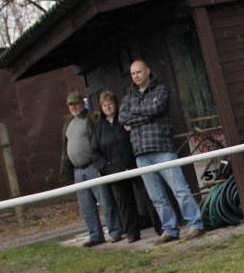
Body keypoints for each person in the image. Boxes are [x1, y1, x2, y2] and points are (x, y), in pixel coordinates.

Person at [118, 59, 204, 244]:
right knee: (156, 197)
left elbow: (157, 108)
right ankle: (169, 229)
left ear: (147, 71)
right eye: (133, 74)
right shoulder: (128, 96)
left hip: (162, 148)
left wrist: (134, 119)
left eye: (138, 72)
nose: (136, 76)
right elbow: (122, 116)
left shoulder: (161, 90)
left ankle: (195, 224)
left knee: (179, 189)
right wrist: (145, 116)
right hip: (141, 153)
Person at [61, 91, 121, 247]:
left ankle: (115, 231)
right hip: (77, 169)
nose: (73, 107)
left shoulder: (93, 118)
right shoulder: (68, 123)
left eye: (75, 103)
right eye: (70, 105)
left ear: (82, 102)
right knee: (86, 206)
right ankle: (95, 235)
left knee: (105, 201)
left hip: (92, 166)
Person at [91, 89, 142, 243]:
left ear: (115, 104)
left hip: (133, 164)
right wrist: (106, 167)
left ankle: (160, 227)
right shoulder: (98, 128)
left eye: (110, 104)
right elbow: (95, 151)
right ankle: (132, 233)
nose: (107, 107)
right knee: (124, 204)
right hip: (114, 171)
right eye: (104, 105)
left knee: (147, 196)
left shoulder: (124, 120)